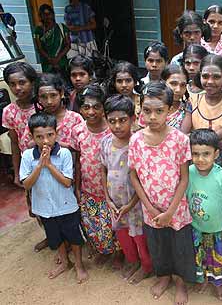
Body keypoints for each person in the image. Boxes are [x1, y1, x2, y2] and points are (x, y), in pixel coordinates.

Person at [129, 81, 195, 305]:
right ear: (140, 109)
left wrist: (170, 211)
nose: (153, 116)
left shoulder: (180, 140)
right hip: (151, 210)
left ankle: (180, 283)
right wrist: (149, 207)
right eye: (147, 110)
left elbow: (184, 178)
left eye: (159, 111)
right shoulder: (136, 140)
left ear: (169, 110)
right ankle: (164, 277)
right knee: (158, 246)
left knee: (179, 248)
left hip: (176, 210)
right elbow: (133, 176)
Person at [20, 112, 88, 283]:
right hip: (45, 208)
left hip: (66, 206)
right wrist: (39, 166)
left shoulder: (63, 153)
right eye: (39, 136)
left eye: (50, 135)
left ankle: (79, 264)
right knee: (55, 237)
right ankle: (65, 261)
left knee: (73, 236)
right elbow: (27, 184)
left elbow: (67, 182)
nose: (45, 141)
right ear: (32, 137)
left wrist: (49, 165)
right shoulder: (28, 156)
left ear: (56, 133)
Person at [100, 95, 152, 284]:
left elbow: (142, 179)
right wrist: (107, 198)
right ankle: (133, 262)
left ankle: (146, 266)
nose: (117, 126)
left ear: (133, 119)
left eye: (122, 120)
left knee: (139, 237)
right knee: (123, 236)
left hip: (135, 204)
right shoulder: (105, 142)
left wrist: (131, 204)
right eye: (112, 121)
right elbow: (103, 170)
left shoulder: (138, 144)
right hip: (115, 204)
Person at [71, 84, 121, 265]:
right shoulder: (78, 131)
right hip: (89, 189)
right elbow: (77, 161)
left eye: (96, 107)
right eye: (86, 107)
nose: (91, 111)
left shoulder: (113, 130)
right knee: (94, 225)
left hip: (114, 191)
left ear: (104, 107)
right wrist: (77, 187)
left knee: (115, 225)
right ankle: (103, 250)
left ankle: (118, 254)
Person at [187, 129, 222, 300]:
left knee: (218, 259)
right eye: (195, 154)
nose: (200, 159)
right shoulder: (188, 173)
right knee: (200, 257)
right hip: (196, 227)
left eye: (206, 154)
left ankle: (218, 284)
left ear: (216, 154)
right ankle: (203, 279)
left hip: (217, 230)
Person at [181, 54, 222, 170]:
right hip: (196, 164)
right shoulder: (193, 101)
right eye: (205, 76)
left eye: (216, 77)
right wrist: (216, 136)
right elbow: (183, 139)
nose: (210, 81)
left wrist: (197, 140)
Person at [22, 73, 84, 150]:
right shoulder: (36, 120)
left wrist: (54, 142)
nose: (49, 101)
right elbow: (25, 145)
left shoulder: (75, 119)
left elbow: (83, 147)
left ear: (61, 93)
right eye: (43, 97)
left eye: (53, 95)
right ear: (38, 98)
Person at [2, 62, 37, 188]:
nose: (17, 88)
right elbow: (14, 143)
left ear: (32, 82)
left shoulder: (42, 105)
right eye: (12, 84)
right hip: (29, 165)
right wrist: (17, 174)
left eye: (22, 82)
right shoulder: (9, 111)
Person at [34, 4, 71, 74]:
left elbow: (68, 45)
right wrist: (50, 59)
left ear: (53, 14)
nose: (47, 16)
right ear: (41, 16)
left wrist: (58, 58)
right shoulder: (38, 30)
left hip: (61, 63)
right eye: (44, 14)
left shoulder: (62, 28)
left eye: (49, 14)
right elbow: (39, 48)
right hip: (47, 65)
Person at [107, 61, 142, 130]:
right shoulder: (110, 104)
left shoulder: (143, 101)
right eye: (119, 81)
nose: (124, 85)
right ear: (114, 83)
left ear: (135, 82)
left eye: (128, 80)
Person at [161, 64, 189, 129]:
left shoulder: (187, 110)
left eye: (183, 85)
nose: (178, 90)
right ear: (163, 82)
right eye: (173, 84)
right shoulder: (152, 106)